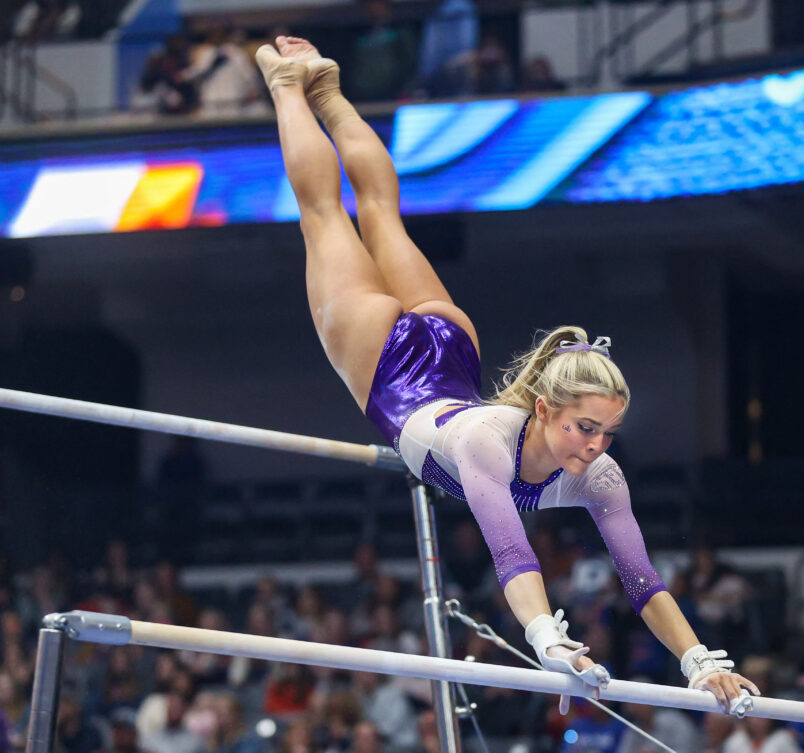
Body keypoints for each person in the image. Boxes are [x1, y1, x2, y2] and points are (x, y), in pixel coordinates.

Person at [253, 34, 759, 714]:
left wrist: (698, 662)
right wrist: (547, 637)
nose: (595, 447)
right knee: (326, 215)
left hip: (448, 352)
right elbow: (512, 552)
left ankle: (329, 93)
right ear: (545, 410)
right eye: (585, 427)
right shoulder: (487, 442)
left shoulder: (600, 476)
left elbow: (642, 581)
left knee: (376, 213)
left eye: (608, 432)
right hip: (393, 365)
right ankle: (289, 83)